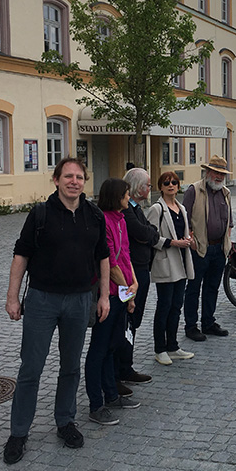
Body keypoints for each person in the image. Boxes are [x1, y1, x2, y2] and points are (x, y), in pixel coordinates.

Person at [3, 157, 110, 465]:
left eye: (79, 177)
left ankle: (65, 421)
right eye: (68, 176)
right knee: (31, 368)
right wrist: (12, 297)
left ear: (84, 181)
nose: (73, 181)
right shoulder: (40, 214)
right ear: (56, 180)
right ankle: (19, 432)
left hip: (79, 300)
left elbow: (103, 257)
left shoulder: (94, 215)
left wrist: (103, 296)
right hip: (42, 299)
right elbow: (21, 256)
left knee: (70, 366)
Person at [84, 179, 140, 427]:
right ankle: (96, 404)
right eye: (126, 195)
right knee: (99, 349)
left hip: (122, 293)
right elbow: (109, 261)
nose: (129, 199)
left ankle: (112, 395)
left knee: (111, 347)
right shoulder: (103, 220)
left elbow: (126, 256)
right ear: (116, 197)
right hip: (109, 294)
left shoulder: (121, 219)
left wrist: (134, 286)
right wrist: (128, 290)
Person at [114, 167, 159, 389]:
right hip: (130, 272)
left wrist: (150, 234)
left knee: (134, 320)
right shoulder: (126, 210)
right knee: (126, 320)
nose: (150, 189)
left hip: (141, 269)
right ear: (136, 187)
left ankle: (126, 367)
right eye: (147, 185)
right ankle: (118, 371)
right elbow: (143, 233)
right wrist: (150, 234)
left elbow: (149, 230)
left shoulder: (135, 207)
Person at [147, 171, 196, 366]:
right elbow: (151, 238)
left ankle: (173, 346)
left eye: (174, 182)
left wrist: (187, 240)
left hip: (182, 262)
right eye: (166, 182)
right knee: (164, 306)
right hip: (166, 262)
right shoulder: (156, 209)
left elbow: (184, 231)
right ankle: (160, 349)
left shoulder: (181, 208)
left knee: (176, 307)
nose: (171, 185)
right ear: (161, 186)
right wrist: (173, 242)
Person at [183, 155, 233, 341]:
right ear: (208, 172)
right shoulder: (194, 190)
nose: (219, 176)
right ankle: (191, 326)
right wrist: (191, 240)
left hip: (219, 249)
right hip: (200, 248)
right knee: (194, 288)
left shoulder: (225, 193)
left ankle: (208, 322)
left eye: (222, 173)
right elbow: (184, 219)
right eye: (216, 172)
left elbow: (230, 221)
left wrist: (228, 241)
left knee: (212, 287)